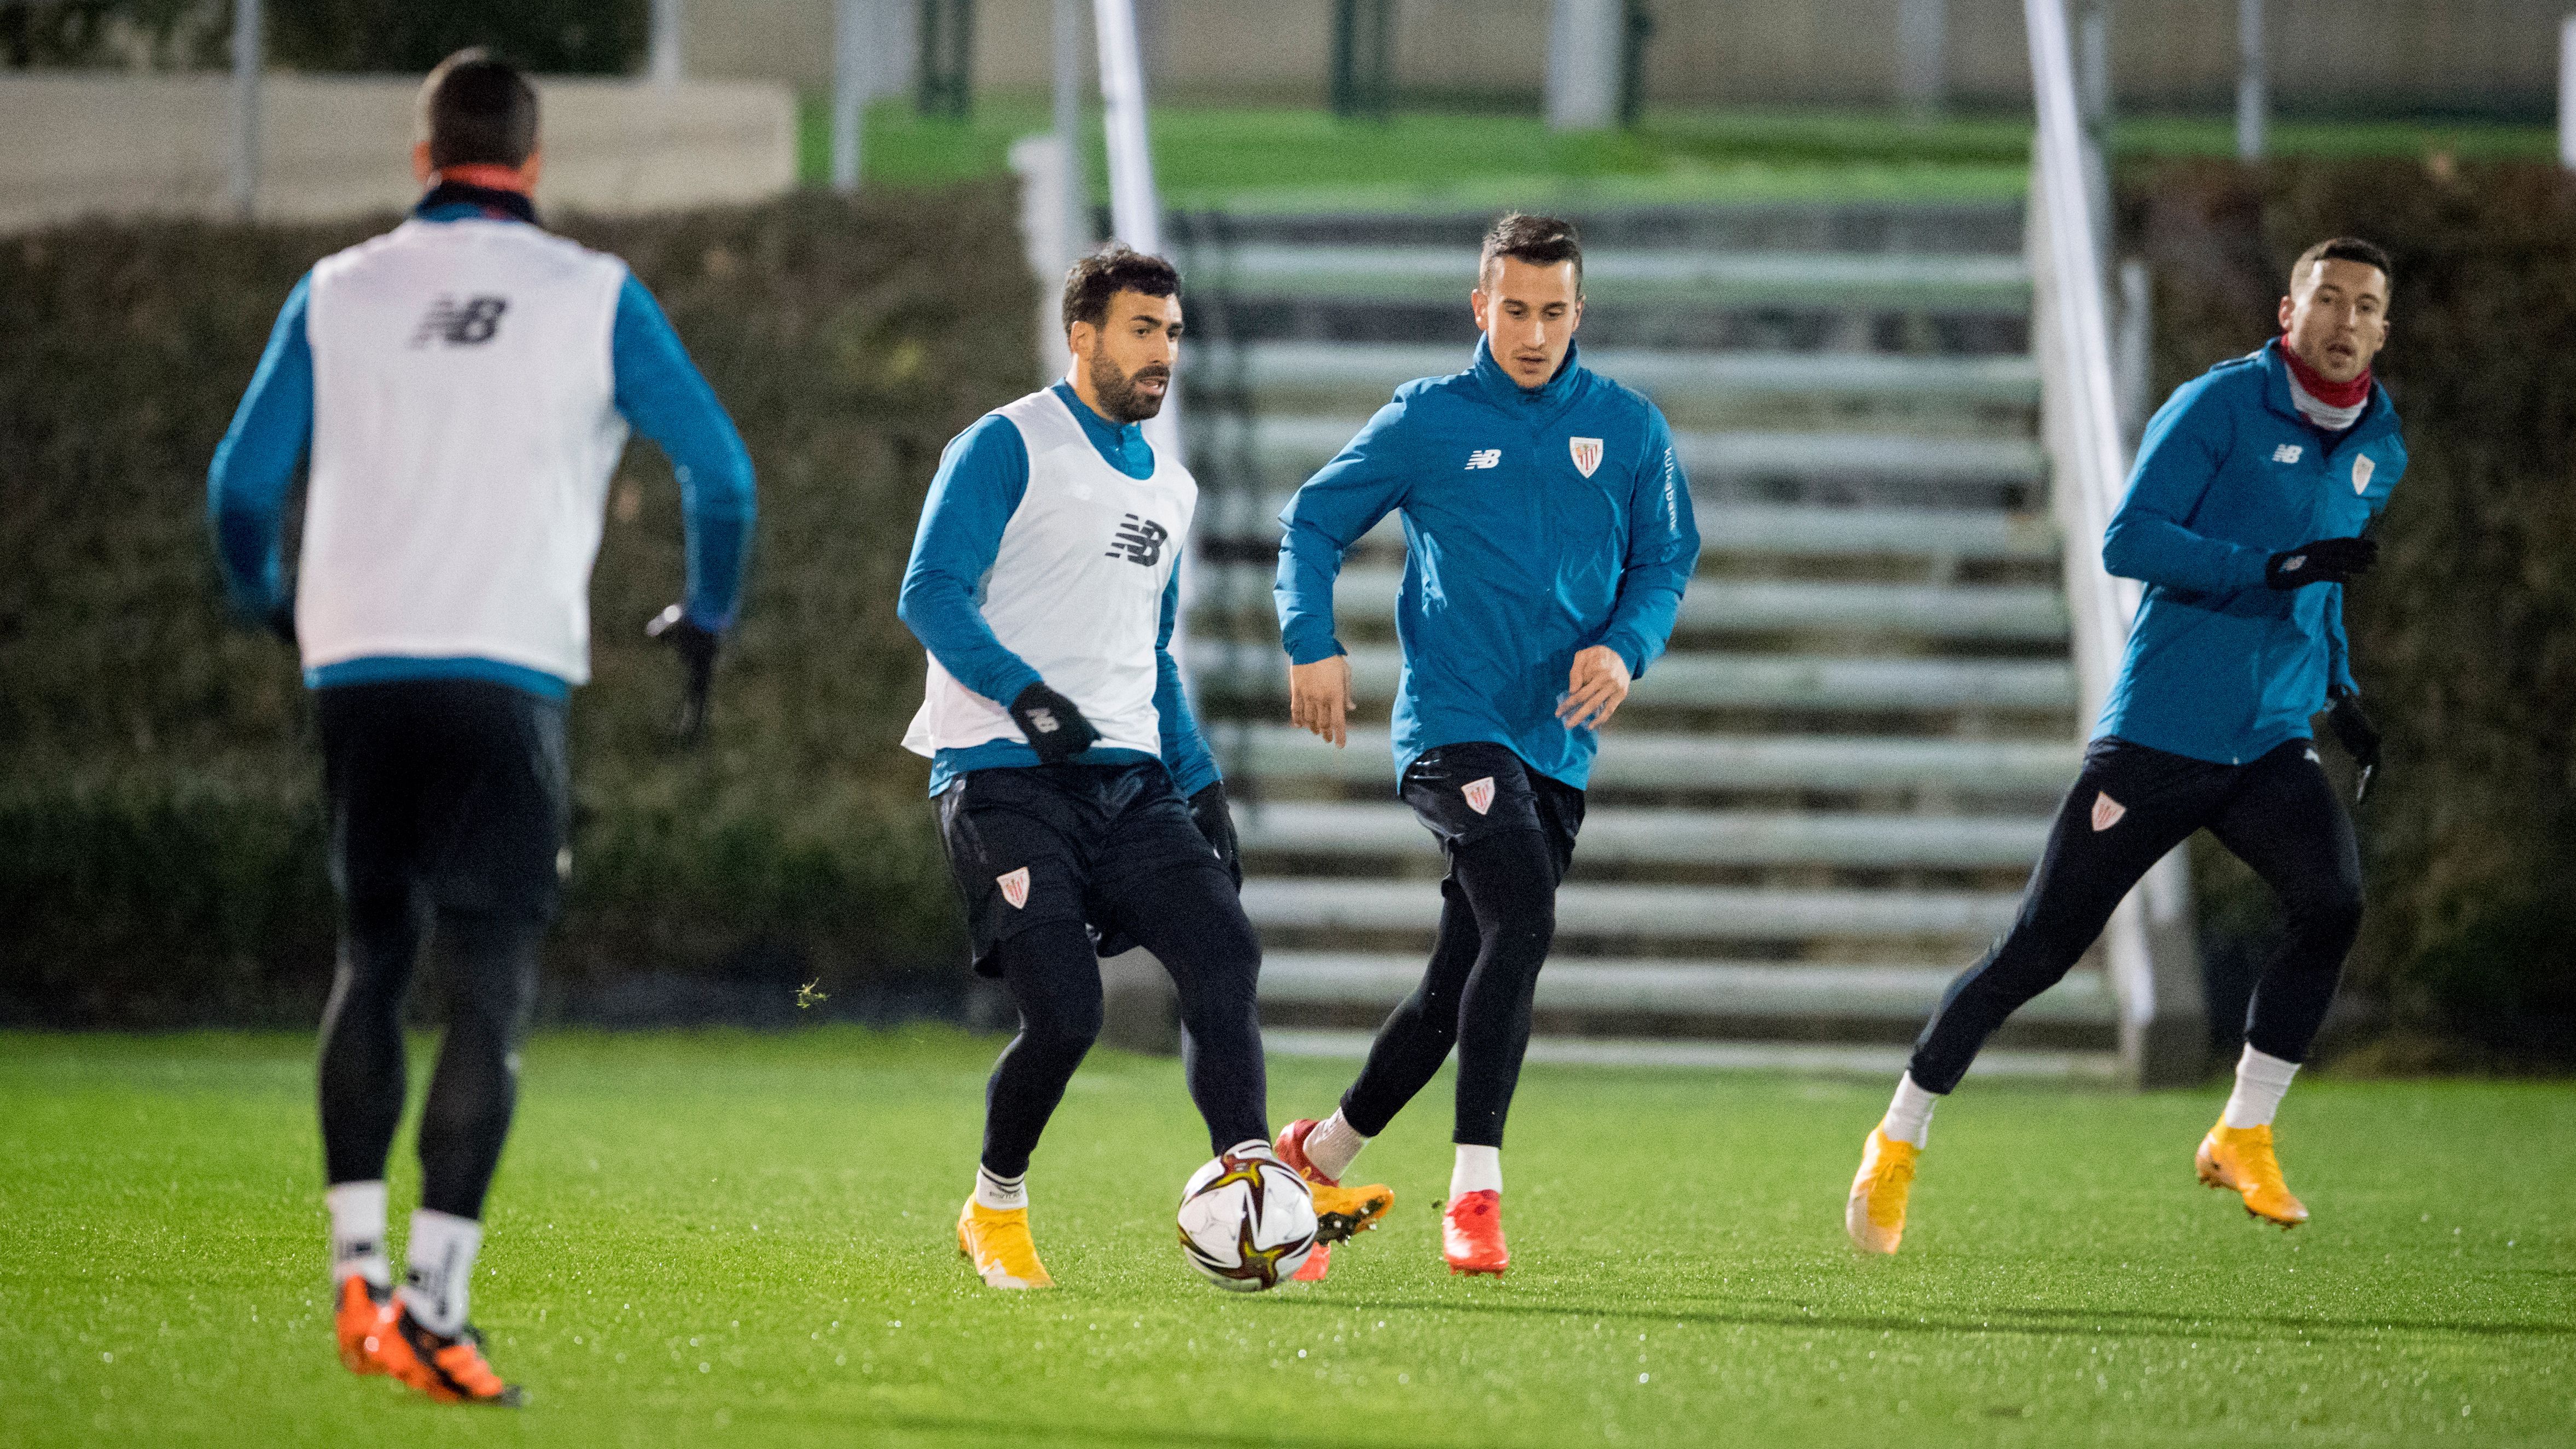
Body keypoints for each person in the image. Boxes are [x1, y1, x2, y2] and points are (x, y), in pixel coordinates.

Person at [207, 49, 755, 1403]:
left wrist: (273, 604)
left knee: (371, 955)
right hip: (506, 668)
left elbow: (237, 486)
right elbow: (722, 473)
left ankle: (355, 1273)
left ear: (421, 156)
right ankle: (439, 1304)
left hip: (360, 668)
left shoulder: (337, 290)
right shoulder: (593, 294)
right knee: (492, 981)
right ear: (535, 156)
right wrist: (705, 613)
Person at [1845, 238, 2406, 1254]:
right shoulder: (2218, 405)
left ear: (2381, 329)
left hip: (2269, 735)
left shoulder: (2379, 441)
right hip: (2161, 731)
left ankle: (2243, 1128)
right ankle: (1897, 1138)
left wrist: (2340, 690)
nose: (2344, 321)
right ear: (2289, 311)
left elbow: (2322, 583)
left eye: (2365, 307)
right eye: (2328, 298)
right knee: (2036, 951)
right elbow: (2127, 539)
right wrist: (2266, 564)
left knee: (2331, 901)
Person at [897, 243, 1392, 1290]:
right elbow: (931, 592)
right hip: (999, 773)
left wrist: (1200, 777)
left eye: (1170, 332)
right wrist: (1027, 700)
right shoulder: (1003, 444)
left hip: (1129, 779)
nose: (1161, 352)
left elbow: (1151, 650)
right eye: (1140, 330)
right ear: (1081, 335)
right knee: (1068, 1013)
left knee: (1224, 953)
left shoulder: (1171, 486)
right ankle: (994, 1207)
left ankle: (1261, 1190)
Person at [1267, 213, 1701, 1279]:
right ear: (1481, 306)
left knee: (1456, 982)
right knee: (1529, 912)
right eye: (1515, 308)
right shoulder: (1429, 419)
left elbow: (1667, 559)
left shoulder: (1631, 429)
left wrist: (1627, 649)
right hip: (1450, 727)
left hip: (1557, 751)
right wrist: (1311, 643)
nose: (1535, 330)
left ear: (1579, 312)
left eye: (1555, 310)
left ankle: (1316, 1155)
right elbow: (1313, 524)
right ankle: (1474, 1192)